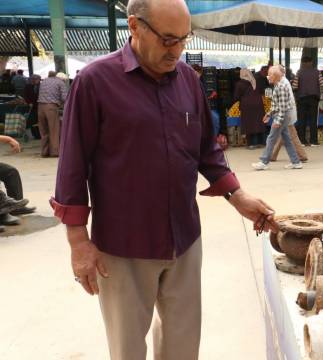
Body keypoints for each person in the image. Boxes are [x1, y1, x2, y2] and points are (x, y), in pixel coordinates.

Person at [52, 1, 278, 358]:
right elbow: (72, 167)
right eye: (168, 40)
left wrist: (238, 196)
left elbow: (206, 149)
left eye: (183, 40)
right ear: (135, 26)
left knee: (183, 345)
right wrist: (78, 242)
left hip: (184, 237)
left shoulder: (188, 80)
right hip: (124, 245)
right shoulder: (95, 82)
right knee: (127, 349)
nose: (177, 51)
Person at [252, 65, 303, 170]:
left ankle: (264, 161)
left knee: (271, 138)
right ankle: (296, 162)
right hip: (282, 115)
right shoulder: (279, 84)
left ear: (275, 76)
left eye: (270, 74)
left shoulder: (281, 86)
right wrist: (269, 113)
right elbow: (278, 104)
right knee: (287, 139)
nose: (268, 76)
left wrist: (278, 121)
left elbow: (283, 107)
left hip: (282, 116)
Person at [293, 56, 323, 146]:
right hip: (313, 98)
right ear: (311, 62)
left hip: (302, 99)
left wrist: (296, 95)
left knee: (301, 120)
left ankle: (302, 141)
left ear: (302, 63)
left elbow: (295, 86)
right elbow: (322, 85)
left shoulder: (299, 72)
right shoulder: (317, 72)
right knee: (313, 120)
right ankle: (313, 141)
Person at [233, 68, 266, 149]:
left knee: (248, 124)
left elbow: (236, 97)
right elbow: (263, 92)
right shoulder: (256, 81)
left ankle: (251, 144)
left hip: (247, 106)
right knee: (259, 122)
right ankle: (261, 142)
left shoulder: (240, 84)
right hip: (258, 104)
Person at [37, 70, 67, 157]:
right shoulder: (60, 82)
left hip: (40, 107)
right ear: (62, 79)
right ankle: (54, 152)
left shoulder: (44, 81)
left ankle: (44, 152)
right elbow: (65, 98)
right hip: (51, 107)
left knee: (44, 131)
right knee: (54, 130)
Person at [23, 75, 41, 139]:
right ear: (32, 79)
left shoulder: (40, 86)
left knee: (38, 120)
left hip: (39, 105)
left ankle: (37, 134)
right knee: (31, 120)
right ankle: (30, 134)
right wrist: (29, 102)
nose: (37, 81)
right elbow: (25, 95)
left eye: (38, 79)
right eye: (35, 79)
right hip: (31, 106)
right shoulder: (28, 86)